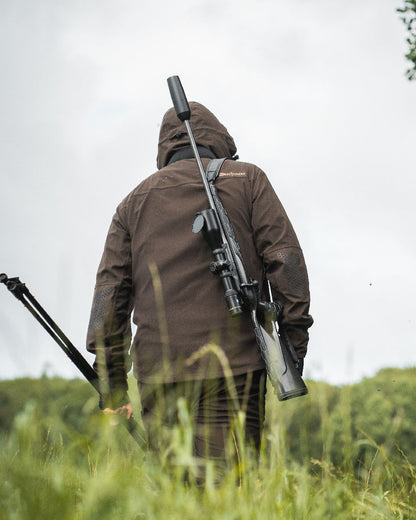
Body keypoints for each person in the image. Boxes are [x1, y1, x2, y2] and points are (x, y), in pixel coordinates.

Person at [86, 101, 313, 479]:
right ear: (221, 140)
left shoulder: (131, 204)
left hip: (160, 374)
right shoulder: (248, 179)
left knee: (176, 494)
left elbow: (109, 296)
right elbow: (286, 261)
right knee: (229, 491)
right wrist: (291, 349)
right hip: (236, 366)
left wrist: (111, 384)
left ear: (164, 150)